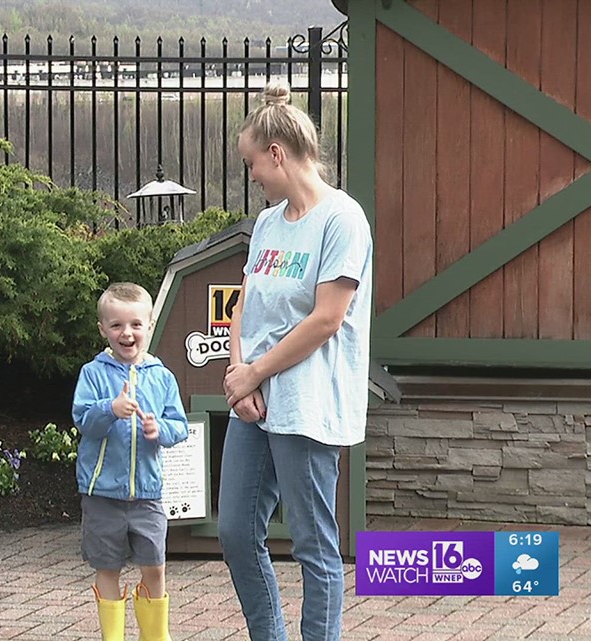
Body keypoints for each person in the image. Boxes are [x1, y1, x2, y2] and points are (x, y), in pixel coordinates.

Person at [217, 78, 372, 641]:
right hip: (254, 403)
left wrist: (255, 373)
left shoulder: (341, 219)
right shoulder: (267, 223)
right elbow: (244, 304)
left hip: (306, 406)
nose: (252, 175)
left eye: (252, 163)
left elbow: (326, 318)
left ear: (277, 154)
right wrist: (239, 377)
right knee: (236, 532)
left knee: (313, 545)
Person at [72, 282, 189, 641]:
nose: (127, 333)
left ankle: (154, 636)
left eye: (136, 324)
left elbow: (179, 426)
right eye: (117, 325)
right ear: (103, 329)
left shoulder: (162, 376)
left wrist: (160, 429)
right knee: (108, 568)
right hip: (102, 495)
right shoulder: (93, 373)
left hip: (147, 496)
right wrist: (111, 409)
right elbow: (83, 420)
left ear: (149, 326)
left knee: (155, 566)